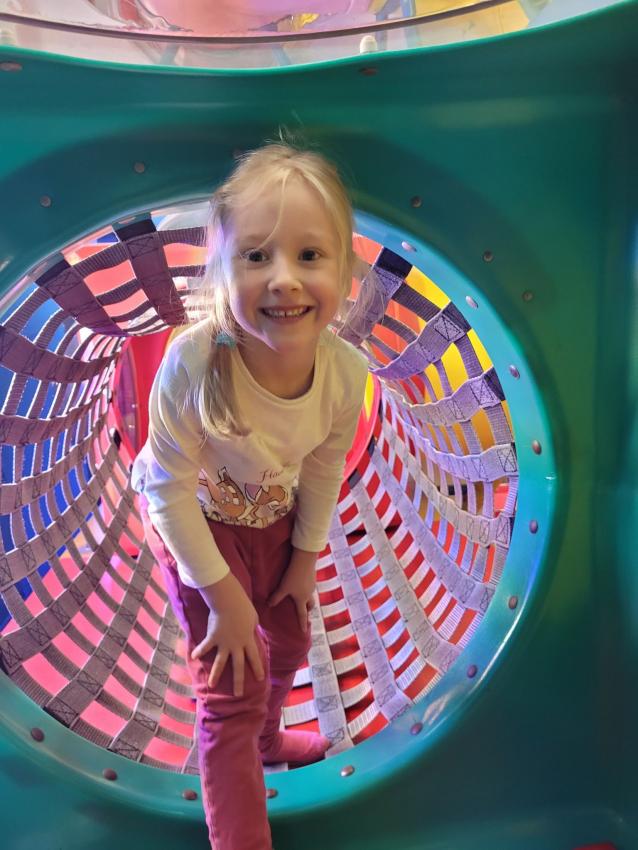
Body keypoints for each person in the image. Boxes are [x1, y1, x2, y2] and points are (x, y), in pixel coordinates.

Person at [131, 141, 368, 850]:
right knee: (232, 681)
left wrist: (306, 560)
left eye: (309, 255)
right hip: (195, 521)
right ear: (223, 269)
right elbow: (168, 488)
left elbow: (323, 467)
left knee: (288, 635)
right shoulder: (195, 360)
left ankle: (267, 740)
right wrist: (226, 600)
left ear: (345, 271)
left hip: (272, 514)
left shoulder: (345, 372)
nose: (284, 280)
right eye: (256, 256)